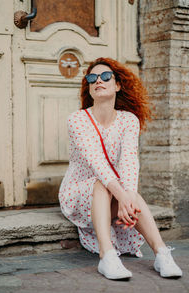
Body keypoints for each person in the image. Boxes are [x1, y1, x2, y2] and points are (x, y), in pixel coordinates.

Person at [58, 57, 182, 280]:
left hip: (113, 191)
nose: (98, 81)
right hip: (78, 193)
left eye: (105, 76)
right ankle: (107, 257)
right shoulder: (77, 120)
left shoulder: (129, 120)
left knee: (131, 193)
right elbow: (97, 163)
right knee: (102, 183)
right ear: (88, 86)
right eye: (92, 78)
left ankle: (162, 253)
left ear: (117, 85)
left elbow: (129, 162)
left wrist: (129, 197)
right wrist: (124, 196)